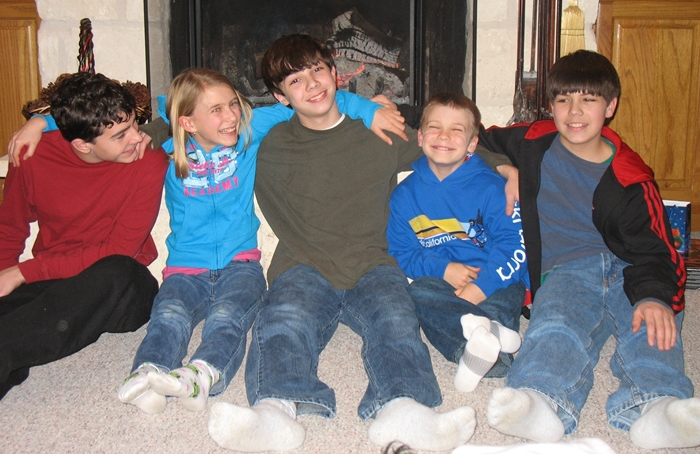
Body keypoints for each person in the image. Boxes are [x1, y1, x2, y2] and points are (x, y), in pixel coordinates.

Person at [9, 68, 402, 414]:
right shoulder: (164, 150)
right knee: (168, 314)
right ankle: (148, 373)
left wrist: (368, 108)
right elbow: (100, 122)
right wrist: (43, 122)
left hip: (241, 263)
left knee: (229, 317)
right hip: (184, 266)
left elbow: (308, 103)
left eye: (232, 105)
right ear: (187, 122)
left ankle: (203, 374)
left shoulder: (248, 132)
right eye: (216, 110)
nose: (231, 116)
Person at [205, 34, 513, 452]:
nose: (311, 84)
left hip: (373, 262)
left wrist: (502, 165)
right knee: (283, 320)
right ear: (280, 97)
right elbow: (196, 128)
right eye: (295, 81)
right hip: (303, 261)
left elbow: (444, 145)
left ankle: (403, 406)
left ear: (335, 73)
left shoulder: (379, 133)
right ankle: (274, 410)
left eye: (317, 70)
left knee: (395, 321)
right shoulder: (267, 145)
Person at [477, 50, 700, 450]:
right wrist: (504, 166)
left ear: (610, 107)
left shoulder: (632, 179)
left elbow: (659, 251)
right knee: (556, 324)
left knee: (652, 327)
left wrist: (654, 296)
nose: (575, 111)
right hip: (567, 268)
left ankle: (659, 406)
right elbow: (468, 134)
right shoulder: (531, 142)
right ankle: (540, 401)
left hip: (630, 268)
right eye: (564, 100)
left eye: (589, 100)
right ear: (550, 106)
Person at [0, 72, 168, 400]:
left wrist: (22, 272)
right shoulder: (33, 156)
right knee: (21, 309)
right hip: (53, 282)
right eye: (121, 135)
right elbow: (9, 229)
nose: (138, 137)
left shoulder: (148, 160)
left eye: (134, 124)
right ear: (81, 144)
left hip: (122, 288)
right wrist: (6, 276)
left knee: (118, 269)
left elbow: (119, 249)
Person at [387, 92, 529, 395]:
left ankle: (481, 338)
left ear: (472, 143)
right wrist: (443, 269)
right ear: (420, 137)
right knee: (417, 293)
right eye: (435, 128)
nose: (444, 136)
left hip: (494, 276)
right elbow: (402, 252)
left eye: (456, 130)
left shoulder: (493, 188)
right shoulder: (404, 194)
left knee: (503, 298)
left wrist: (481, 287)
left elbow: (515, 246)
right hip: (442, 282)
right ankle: (488, 339)